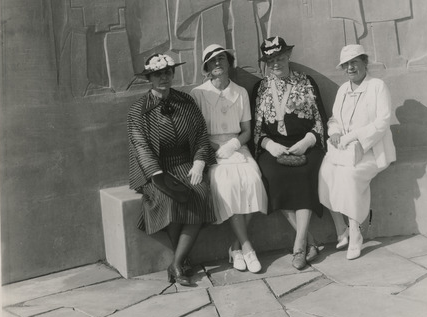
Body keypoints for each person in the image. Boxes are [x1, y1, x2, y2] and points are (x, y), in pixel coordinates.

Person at [127, 53, 216, 286]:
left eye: (167, 72)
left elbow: (201, 136)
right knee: (170, 199)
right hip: (156, 170)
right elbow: (141, 147)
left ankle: (176, 263)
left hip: (185, 163)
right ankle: (181, 262)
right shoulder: (138, 111)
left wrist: (199, 161)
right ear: (150, 78)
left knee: (200, 193)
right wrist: (158, 177)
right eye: (158, 74)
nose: (164, 77)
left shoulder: (186, 102)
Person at [251, 36, 328, 269]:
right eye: (271, 59)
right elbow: (256, 128)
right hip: (274, 147)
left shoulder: (307, 82)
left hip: (305, 144)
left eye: (280, 57)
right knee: (273, 177)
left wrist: (308, 140)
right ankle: (309, 242)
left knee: (305, 174)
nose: (276, 63)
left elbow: (320, 119)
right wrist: (267, 145)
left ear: (288, 56)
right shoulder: (260, 88)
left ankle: (299, 246)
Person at [191, 44, 268, 273]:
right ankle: (247, 247)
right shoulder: (198, 94)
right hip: (210, 149)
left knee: (253, 180)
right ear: (206, 66)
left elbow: (246, 130)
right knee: (228, 184)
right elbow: (197, 131)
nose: (218, 64)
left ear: (229, 62)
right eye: (212, 60)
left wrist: (234, 144)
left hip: (238, 146)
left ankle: (235, 247)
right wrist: (216, 147)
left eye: (222, 59)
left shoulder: (241, 92)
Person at [319, 45, 396, 259]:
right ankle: (340, 229)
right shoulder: (343, 89)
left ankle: (356, 233)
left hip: (373, 151)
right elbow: (334, 118)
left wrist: (353, 137)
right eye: (346, 64)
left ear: (364, 62)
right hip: (345, 150)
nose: (350, 67)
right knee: (325, 172)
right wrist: (334, 132)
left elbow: (382, 122)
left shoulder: (377, 86)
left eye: (355, 62)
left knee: (350, 176)